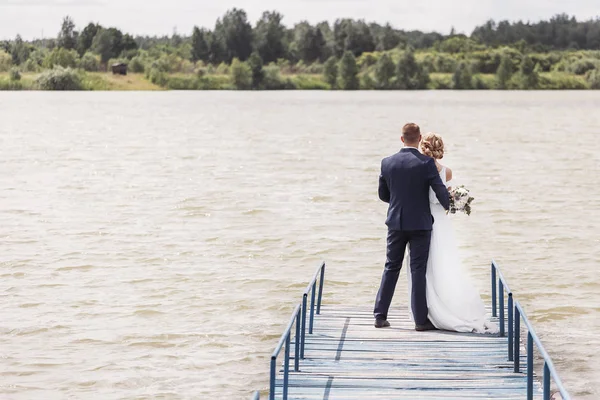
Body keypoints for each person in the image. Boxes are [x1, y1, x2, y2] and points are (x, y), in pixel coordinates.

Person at [406, 132, 498, 333]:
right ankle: (441, 305)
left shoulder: (420, 168)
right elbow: (443, 196)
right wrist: (456, 198)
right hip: (441, 222)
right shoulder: (446, 171)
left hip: (424, 220)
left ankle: (426, 311)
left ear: (423, 147)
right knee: (443, 263)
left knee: (423, 267)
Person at [373, 123, 450, 331]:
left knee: (391, 266)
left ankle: (380, 316)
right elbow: (440, 190)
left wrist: (399, 202)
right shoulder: (426, 164)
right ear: (419, 138)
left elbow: (383, 195)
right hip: (420, 224)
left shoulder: (387, 162)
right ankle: (420, 321)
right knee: (418, 270)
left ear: (401, 139)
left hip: (395, 223)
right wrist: (449, 205)